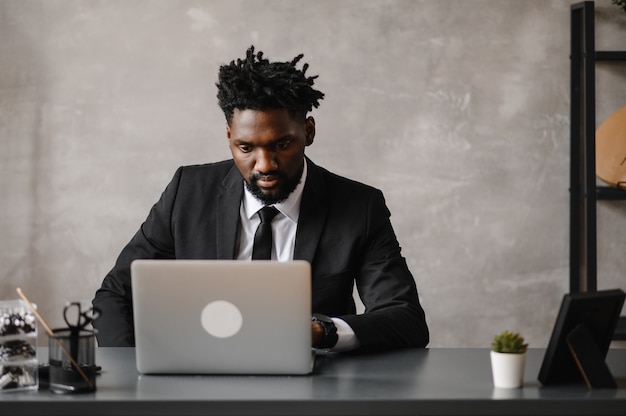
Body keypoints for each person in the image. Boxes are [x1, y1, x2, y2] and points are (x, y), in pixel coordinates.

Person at [92, 46, 429, 352]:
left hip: (313, 389)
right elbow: (116, 294)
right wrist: (129, 379)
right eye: (246, 148)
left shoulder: (359, 207)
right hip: (199, 381)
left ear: (308, 132)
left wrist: (318, 332)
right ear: (229, 137)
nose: (265, 165)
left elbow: (405, 318)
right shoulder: (188, 192)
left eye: (282, 145)